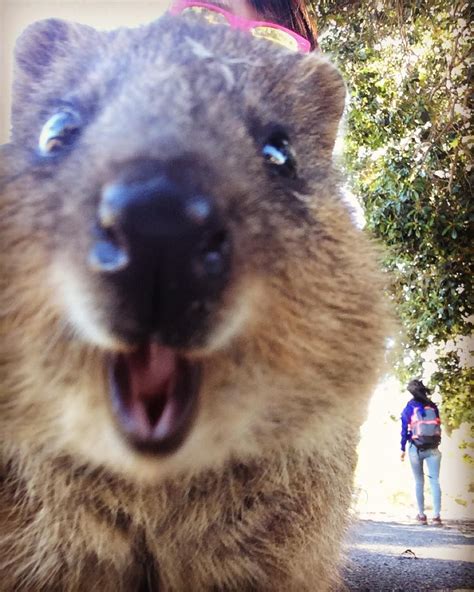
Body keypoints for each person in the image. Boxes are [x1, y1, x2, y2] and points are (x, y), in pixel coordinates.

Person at [400, 379, 442, 526]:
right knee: (435, 481)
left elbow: (404, 428)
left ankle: (422, 515)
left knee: (419, 482)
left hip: (415, 449)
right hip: (433, 449)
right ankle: (436, 517)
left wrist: (402, 448)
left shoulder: (410, 407)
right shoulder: (432, 406)